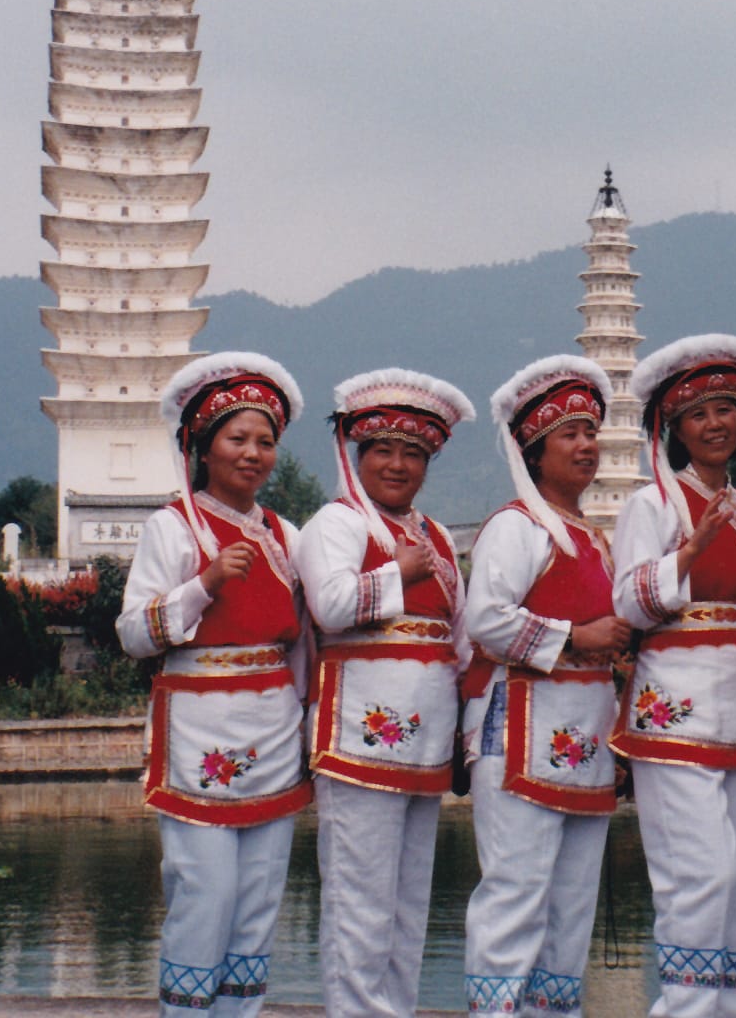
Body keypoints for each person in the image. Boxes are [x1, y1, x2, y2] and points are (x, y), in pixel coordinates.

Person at [115, 352, 313, 1017]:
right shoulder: (171, 528)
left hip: (274, 732)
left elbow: (306, 639)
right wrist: (205, 584)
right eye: (237, 438)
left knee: (259, 900)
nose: (253, 453)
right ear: (202, 447)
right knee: (205, 891)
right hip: (199, 730)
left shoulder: (287, 534)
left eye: (265, 441)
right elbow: (134, 634)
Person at [609, 334, 736, 1018]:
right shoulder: (651, 507)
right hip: (672, 709)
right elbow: (627, 603)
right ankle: (683, 1008)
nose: (716, 424)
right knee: (700, 876)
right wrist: (688, 552)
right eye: (699, 414)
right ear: (674, 430)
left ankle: (728, 1009)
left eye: (726, 409)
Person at [292, 367, 475, 1018]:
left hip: (426, 746)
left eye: (414, 453)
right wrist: (395, 569)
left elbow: (462, 638)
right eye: (383, 449)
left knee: (407, 907)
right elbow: (332, 606)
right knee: (359, 904)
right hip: (358, 743)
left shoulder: (441, 537)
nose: (398, 464)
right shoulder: (335, 525)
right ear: (357, 454)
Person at [460, 355, 634, 1015]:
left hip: (585, 740)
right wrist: (577, 636)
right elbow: (486, 620)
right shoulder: (518, 527)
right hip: (521, 733)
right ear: (534, 451)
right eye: (570, 434)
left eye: (592, 432)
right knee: (515, 895)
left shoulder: (593, 538)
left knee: (570, 911)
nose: (587, 445)